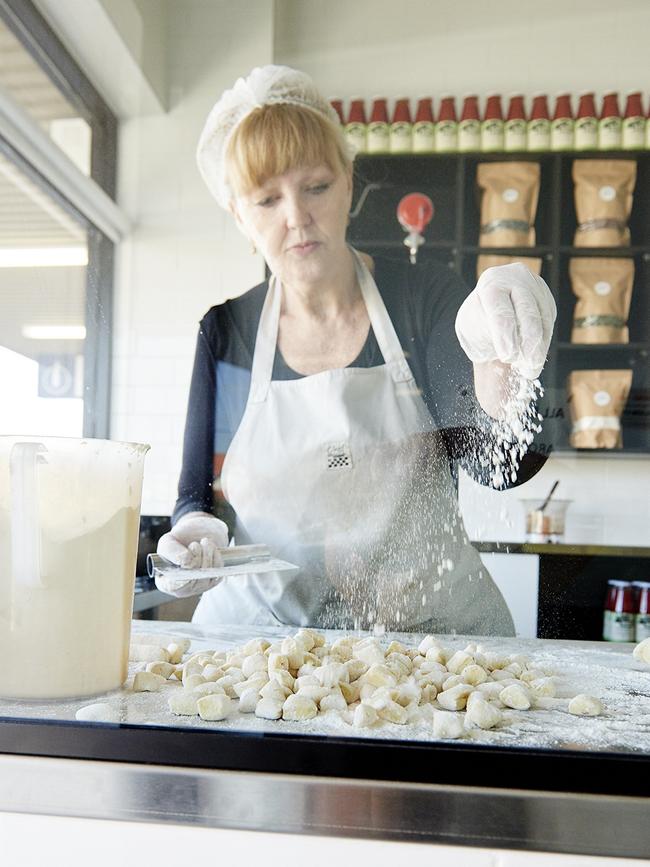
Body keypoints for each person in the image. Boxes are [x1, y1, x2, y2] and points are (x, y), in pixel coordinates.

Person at [156, 65, 556, 636]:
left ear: (349, 180)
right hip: (265, 647)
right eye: (267, 199)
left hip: (431, 643)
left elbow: (503, 465)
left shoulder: (423, 299)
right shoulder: (227, 332)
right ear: (239, 216)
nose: (297, 218)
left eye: (316, 186)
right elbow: (199, 494)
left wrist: (504, 376)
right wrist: (196, 530)